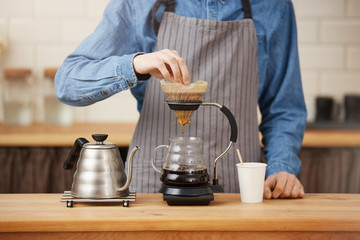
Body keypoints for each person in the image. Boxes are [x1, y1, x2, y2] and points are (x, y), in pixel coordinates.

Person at [55, 0, 306, 199]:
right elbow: (68, 83)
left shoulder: (275, 6)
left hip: (238, 192)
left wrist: (281, 169)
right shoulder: (138, 5)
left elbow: (284, 108)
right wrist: (135, 64)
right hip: (152, 189)